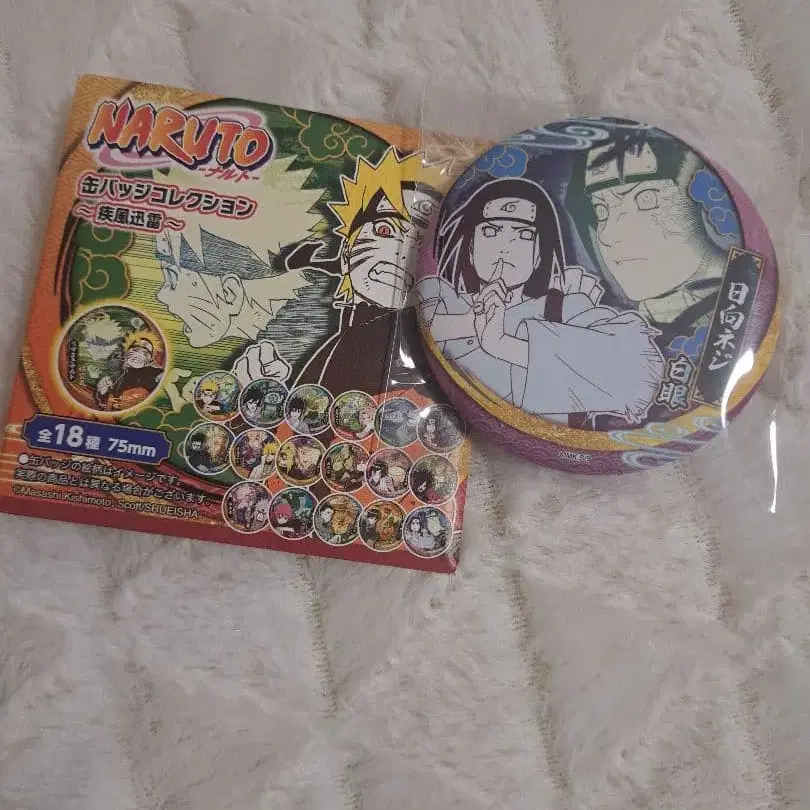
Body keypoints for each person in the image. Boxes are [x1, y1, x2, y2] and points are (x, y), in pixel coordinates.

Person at [417, 176, 664, 427]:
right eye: (491, 231)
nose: (506, 246)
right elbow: (422, 328)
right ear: (470, 247)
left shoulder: (567, 310)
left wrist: (503, 344)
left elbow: (642, 374)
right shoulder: (442, 298)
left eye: (524, 234)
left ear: (539, 254)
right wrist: (473, 321)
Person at [566, 121, 739, 353]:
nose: (607, 234)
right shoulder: (617, 330)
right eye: (601, 210)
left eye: (646, 199)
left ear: (703, 202)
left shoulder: (738, 305)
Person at [287, 148, 449, 396]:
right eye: (385, 230)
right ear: (346, 253)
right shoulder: (337, 348)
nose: (400, 254)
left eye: (421, 242)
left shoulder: (424, 356)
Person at [95, 331, 164, 409]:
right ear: (126, 353)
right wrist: (103, 392)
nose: (139, 354)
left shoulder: (154, 373)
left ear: (150, 359)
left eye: (145, 353)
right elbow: (108, 402)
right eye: (135, 350)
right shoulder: (120, 377)